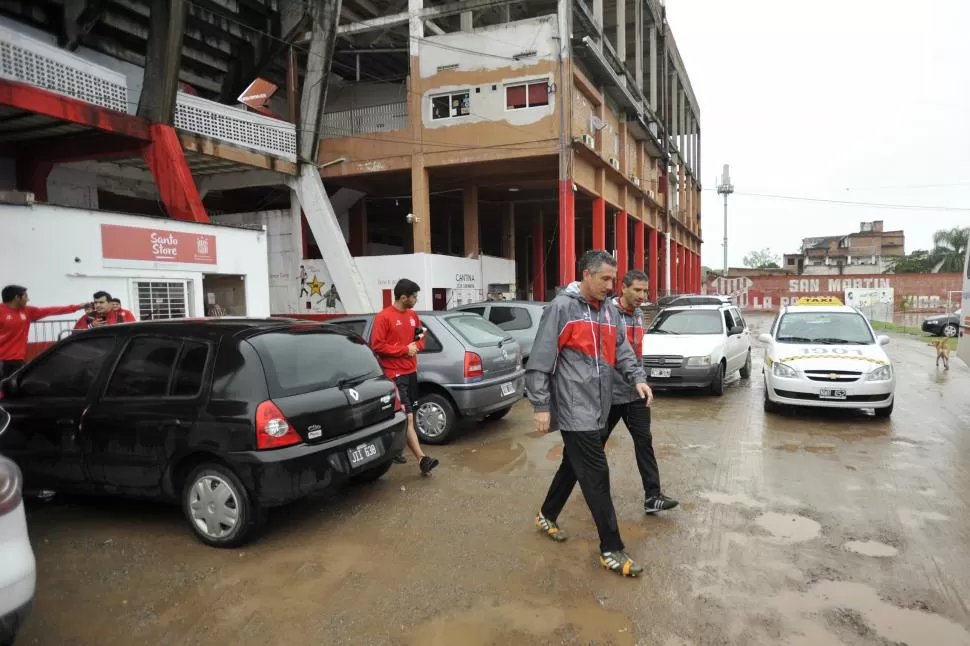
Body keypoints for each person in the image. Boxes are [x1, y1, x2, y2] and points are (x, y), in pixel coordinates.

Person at [527, 250, 653, 577]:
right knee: (597, 473)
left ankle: (546, 514)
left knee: (574, 464)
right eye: (605, 279)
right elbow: (540, 360)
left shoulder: (607, 313)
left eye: (613, 279)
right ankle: (611, 549)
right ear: (586, 274)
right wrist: (541, 405)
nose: (611, 286)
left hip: (600, 405)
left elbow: (623, 351)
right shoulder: (563, 308)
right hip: (574, 406)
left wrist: (637, 379)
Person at [607, 270, 678, 514]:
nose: (642, 295)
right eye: (637, 290)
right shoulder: (607, 314)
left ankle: (652, 496)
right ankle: (584, 487)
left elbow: (636, 354)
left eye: (645, 290)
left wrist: (641, 380)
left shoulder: (638, 314)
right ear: (623, 287)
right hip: (609, 393)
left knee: (644, 442)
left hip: (635, 391)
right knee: (593, 446)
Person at [370, 278, 439, 475]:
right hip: (395, 374)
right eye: (414, 296)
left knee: (408, 415)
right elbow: (377, 345)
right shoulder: (384, 317)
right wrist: (403, 350)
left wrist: (416, 346)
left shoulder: (412, 315)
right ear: (403, 297)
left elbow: (421, 335)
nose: (416, 299)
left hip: (411, 372)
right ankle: (422, 459)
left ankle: (396, 449)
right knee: (408, 417)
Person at [0, 285, 87, 379]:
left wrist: (78, 307)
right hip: (2, 359)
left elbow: (52, 310)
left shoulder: (28, 311)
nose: (28, 299)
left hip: (18, 358)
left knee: (14, 386)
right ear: (17, 297)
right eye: (25, 296)